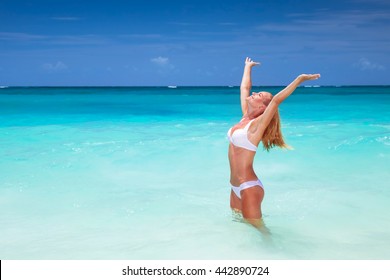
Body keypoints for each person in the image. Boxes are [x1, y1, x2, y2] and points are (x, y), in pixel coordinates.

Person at [227, 57, 320, 229]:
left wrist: (299, 80)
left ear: (263, 108)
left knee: (261, 232)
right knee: (239, 226)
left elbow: (276, 101)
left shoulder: (255, 126)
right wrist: (247, 67)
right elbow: (244, 87)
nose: (253, 94)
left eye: (258, 95)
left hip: (249, 187)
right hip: (234, 186)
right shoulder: (245, 118)